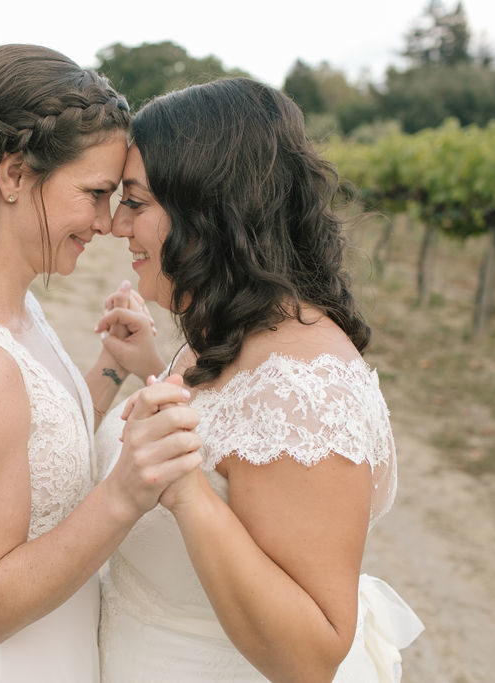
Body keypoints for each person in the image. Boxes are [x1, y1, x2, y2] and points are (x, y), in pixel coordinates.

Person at [0, 44, 202, 682]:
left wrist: (113, 364)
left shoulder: (5, 305)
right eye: (95, 193)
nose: (108, 223)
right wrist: (124, 494)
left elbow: (28, 443)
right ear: (15, 176)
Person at [94, 77, 424, 682]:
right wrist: (146, 368)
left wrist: (185, 489)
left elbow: (310, 655)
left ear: (210, 212)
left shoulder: (308, 390)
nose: (117, 225)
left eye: (136, 203)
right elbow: (226, 430)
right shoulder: (233, 329)